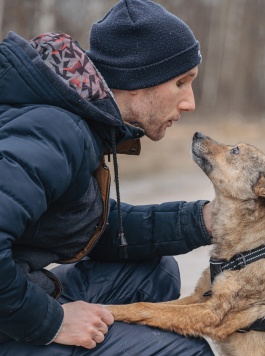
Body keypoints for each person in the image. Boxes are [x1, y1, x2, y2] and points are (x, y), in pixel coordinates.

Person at [0, 0, 215, 355]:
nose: (189, 102)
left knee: (154, 274)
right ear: (136, 80)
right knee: (186, 351)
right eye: (180, 82)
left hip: (16, 299)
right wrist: (52, 322)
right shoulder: (57, 131)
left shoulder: (75, 119)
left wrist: (204, 220)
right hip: (13, 320)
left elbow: (84, 224)